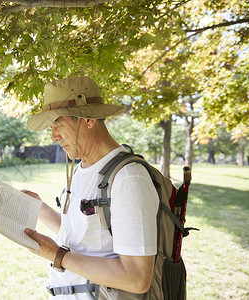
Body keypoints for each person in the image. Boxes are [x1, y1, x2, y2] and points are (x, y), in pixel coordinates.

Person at [22, 76, 159, 299]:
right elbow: (80, 236)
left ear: (88, 119)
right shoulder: (83, 167)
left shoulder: (128, 178)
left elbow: (137, 278)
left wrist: (57, 255)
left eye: (59, 124)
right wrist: (40, 209)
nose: (53, 136)